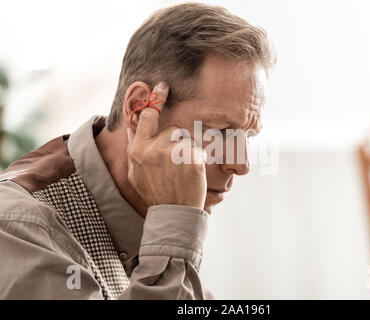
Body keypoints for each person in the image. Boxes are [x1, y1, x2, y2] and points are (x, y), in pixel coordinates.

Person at [0, 2, 276, 299]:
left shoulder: (151, 221)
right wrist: (175, 225)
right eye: (220, 130)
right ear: (139, 108)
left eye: (247, 135)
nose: (242, 164)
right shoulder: (18, 230)